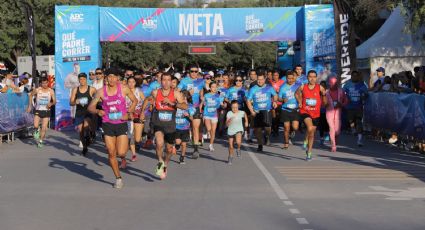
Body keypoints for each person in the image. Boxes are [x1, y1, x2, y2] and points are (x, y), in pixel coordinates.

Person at [88, 68, 138, 189]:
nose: (111, 79)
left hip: (121, 123)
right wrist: (97, 110)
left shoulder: (124, 89)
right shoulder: (100, 92)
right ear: (106, 78)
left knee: (121, 152)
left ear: (117, 78)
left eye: (114, 77)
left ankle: (122, 158)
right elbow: (90, 107)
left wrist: (128, 112)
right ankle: (118, 178)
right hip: (107, 124)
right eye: (109, 77)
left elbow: (134, 101)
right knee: (111, 153)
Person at [141, 73, 187, 180]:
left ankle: (165, 164)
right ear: (160, 81)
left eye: (168, 80)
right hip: (158, 122)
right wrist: (143, 112)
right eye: (164, 80)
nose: (166, 82)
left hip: (170, 125)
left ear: (171, 82)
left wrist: (173, 104)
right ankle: (160, 161)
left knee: (169, 149)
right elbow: (147, 99)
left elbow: (184, 106)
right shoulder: (156, 92)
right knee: (159, 143)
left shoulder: (176, 93)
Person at [296, 70, 327, 161]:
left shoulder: (320, 87)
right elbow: (296, 94)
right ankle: (306, 143)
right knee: (309, 128)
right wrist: (299, 102)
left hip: (316, 113)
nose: (312, 78)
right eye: (310, 76)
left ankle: (309, 153)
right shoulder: (303, 86)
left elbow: (324, 103)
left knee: (312, 134)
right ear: (307, 77)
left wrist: (324, 95)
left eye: (314, 77)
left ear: (316, 78)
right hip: (305, 111)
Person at [177, 65, 205, 159]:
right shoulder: (184, 80)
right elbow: (177, 91)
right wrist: (188, 94)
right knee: (181, 127)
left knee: (195, 128)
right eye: (192, 71)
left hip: (195, 107)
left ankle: (196, 149)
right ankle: (177, 143)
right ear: (189, 72)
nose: (194, 73)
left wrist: (203, 99)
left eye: (195, 71)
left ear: (198, 72)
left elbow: (206, 89)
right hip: (185, 107)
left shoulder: (201, 81)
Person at [246, 72, 278, 152]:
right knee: (258, 129)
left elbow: (275, 95)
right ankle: (260, 145)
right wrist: (251, 110)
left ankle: (267, 136)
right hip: (257, 111)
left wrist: (274, 101)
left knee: (268, 128)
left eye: (261, 79)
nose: (260, 81)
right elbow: (248, 100)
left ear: (264, 79)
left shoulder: (269, 87)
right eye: (258, 79)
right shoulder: (253, 89)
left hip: (267, 110)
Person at [69, 73, 96, 155]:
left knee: (86, 124)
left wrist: (95, 104)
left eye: (84, 79)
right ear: (79, 80)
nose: (82, 81)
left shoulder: (91, 89)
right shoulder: (75, 90)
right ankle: (84, 147)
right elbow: (71, 102)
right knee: (81, 131)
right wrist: (75, 102)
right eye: (80, 79)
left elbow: (99, 98)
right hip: (79, 112)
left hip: (88, 111)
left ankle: (90, 133)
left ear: (86, 79)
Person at [26, 77, 56, 148]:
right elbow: (30, 95)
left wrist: (51, 104)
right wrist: (30, 106)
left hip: (46, 111)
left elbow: (54, 101)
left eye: (46, 83)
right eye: (43, 83)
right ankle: (36, 130)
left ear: (48, 83)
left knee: (44, 128)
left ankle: (41, 141)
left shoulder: (51, 91)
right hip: (38, 110)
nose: (44, 84)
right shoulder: (37, 90)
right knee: (35, 125)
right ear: (40, 83)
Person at [343, 70, 368, 146]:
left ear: (357, 77)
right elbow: (343, 93)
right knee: (350, 120)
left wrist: (364, 96)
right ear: (351, 76)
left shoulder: (362, 85)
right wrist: (346, 98)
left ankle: (359, 140)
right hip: (350, 106)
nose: (354, 77)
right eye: (353, 76)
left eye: (355, 76)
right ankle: (353, 128)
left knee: (359, 122)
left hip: (358, 107)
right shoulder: (347, 84)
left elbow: (366, 94)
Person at [201, 81, 226, 152]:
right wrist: (201, 110)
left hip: (214, 115)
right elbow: (203, 103)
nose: (214, 88)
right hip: (207, 114)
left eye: (215, 87)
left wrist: (223, 105)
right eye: (213, 87)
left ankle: (211, 145)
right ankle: (207, 134)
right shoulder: (206, 95)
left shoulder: (219, 96)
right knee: (209, 129)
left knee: (213, 131)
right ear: (210, 88)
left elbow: (221, 104)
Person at [325, 76, 348, 152]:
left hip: (338, 113)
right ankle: (333, 145)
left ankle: (335, 138)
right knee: (332, 128)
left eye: (335, 83)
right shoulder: (326, 92)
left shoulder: (341, 91)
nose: (334, 85)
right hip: (329, 113)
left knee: (337, 131)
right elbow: (322, 103)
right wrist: (325, 104)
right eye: (332, 83)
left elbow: (346, 101)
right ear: (329, 83)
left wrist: (341, 104)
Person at [278, 70, 299, 149]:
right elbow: (279, 98)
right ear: (286, 78)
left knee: (295, 127)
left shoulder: (297, 86)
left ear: (294, 78)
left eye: (291, 78)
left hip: (295, 109)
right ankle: (286, 143)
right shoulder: (283, 87)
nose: (290, 80)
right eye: (288, 78)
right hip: (285, 109)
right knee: (286, 127)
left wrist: (300, 101)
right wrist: (282, 100)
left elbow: (302, 95)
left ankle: (292, 132)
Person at [126, 76, 145, 162]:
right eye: (129, 82)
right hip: (128, 115)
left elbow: (146, 102)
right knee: (130, 135)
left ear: (135, 83)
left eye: (132, 82)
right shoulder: (124, 92)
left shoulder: (139, 91)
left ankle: (139, 139)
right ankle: (134, 154)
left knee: (137, 138)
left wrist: (143, 112)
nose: (131, 84)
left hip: (138, 114)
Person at [175, 90, 196, 164]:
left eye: (181, 96)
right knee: (178, 142)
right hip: (176, 127)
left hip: (185, 128)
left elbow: (192, 119)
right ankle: (177, 145)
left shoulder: (190, 106)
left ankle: (182, 157)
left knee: (184, 144)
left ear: (185, 97)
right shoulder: (176, 105)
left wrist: (188, 115)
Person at [226, 100, 248, 165]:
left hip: (239, 129)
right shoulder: (229, 113)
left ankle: (238, 149)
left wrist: (246, 121)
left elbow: (245, 114)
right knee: (231, 146)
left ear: (238, 106)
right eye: (233, 107)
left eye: (236, 107)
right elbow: (226, 124)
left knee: (238, 142)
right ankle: (230, 157)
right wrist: (228, 122)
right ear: (231, 107)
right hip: (230, 131)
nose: (234, 109)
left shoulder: (241, 112)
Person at [270, 70, 285, 136]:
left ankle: (276, 128)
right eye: (274, 75)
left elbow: (285, 91)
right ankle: (274, 130)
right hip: (272, 101)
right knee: (273, 116)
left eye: (277, 75)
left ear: (279, 76)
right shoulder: (270, 82)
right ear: (272, 76)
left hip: (280, 102)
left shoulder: (282, 82)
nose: (275, 77)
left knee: (278, 117)